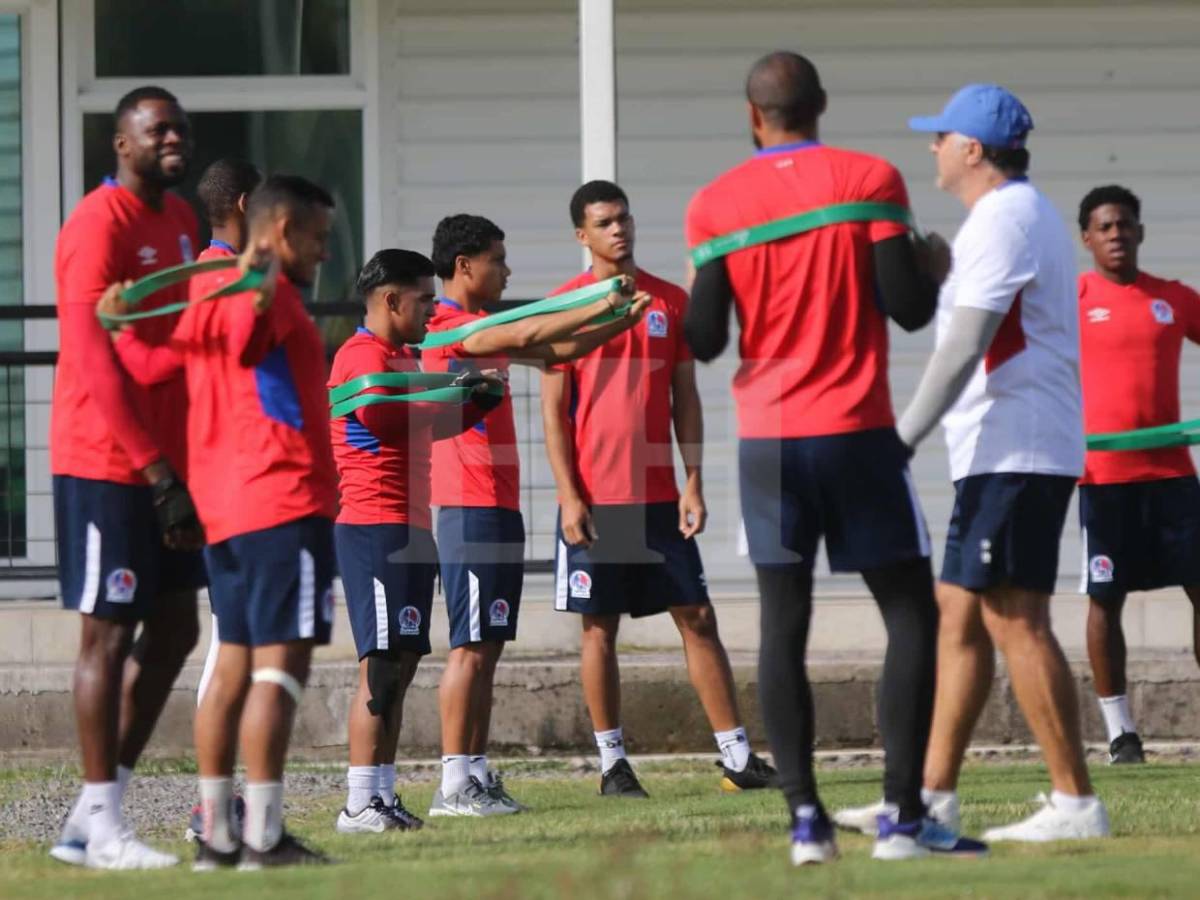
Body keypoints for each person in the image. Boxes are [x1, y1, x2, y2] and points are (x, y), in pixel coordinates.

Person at [684, 52, 952, 864]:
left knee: (781, 623)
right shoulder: (871, 178)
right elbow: (906, 311)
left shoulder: (715, 204)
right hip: (857, 429)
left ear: (751, 116)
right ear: (821, 105)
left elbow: (703, 340)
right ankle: (902, 820)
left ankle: (806, 821)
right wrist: (932, 270)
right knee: (910, 614)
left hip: (767, 440)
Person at [887, 83, 1109, 842]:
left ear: (973, 149)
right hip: (998, 449)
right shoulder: (1007, 216)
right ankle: (928, 802)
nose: (933, 149)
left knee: (1016, 618)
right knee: (960, 617)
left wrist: (901, 437)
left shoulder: (1006, 218)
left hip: (1017, 446)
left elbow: (966, 342)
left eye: (941, 137)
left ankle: (1076, 804)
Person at [105, 174, 342, 868]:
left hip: (227, 509)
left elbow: (150, 363)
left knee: (233, 664)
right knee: (280, 668)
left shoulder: (205, 293)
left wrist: (118, 324)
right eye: (318, 239)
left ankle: (215, 836)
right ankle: (263, 836)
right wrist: (262, 283)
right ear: (278, 232)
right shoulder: (251, 292)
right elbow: (243, 340)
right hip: (281, 501)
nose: (324, 253)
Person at [543, 180, 777, 800]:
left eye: (623, 217)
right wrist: (568, 493)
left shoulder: (667, 301)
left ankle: (737, 757)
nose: (619, 229)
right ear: (582, 235)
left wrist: (693, 479)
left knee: (697, 616)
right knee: (600, 628)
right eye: (604, 222)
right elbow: (552, 411)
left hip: (657, 496)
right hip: (595, 498)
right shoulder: (563, 307)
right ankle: (612, 765)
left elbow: (685, 398)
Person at [422, 213, 650, 816]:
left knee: (489, 646)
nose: (508, 269)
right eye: (498, 259)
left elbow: (556, 348)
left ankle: (474, 774)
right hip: (467, 507)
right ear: (465, 265)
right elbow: (533, 329)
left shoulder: (482, 328)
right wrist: (601, 294)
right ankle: (451, 785)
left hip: (496, 504)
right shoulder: (449, 328)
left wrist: (616, 319)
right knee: (468, 648)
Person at [49, 85, 204, 870]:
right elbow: (90, 357)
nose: (173, 138)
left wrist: (187, 459)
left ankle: (89, 815)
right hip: (106, 460)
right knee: (106, 633)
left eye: (179, 127)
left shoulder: (180, 221)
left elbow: (178, 340)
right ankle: (103, 822)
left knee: (178, 626)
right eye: (157, 130)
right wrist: (151, 468)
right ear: (123, 144)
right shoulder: (94, 225)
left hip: (172, 460)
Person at [328, 249, 503, 833]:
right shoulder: (360, 358)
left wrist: (472, 406)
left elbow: (428, 422)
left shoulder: (404, 358)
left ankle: (382, 794)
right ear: (391, 300)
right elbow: (385, 418)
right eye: (425, 298)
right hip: (372, 527)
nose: (433, 307)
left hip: (412, 526)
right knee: (379, 668)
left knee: (402, 666)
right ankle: (358, 803)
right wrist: (455, 390)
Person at [1075, 184, 1200, 763]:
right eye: (1104, 227)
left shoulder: (1173, 298)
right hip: (1102, 478)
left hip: (1172, 473)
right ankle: (1121, 732)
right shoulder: (1070, 298)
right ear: (1087, 239)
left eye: (1125, 224)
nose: (1116, 235)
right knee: (1106, 598)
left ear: (1141, 232)